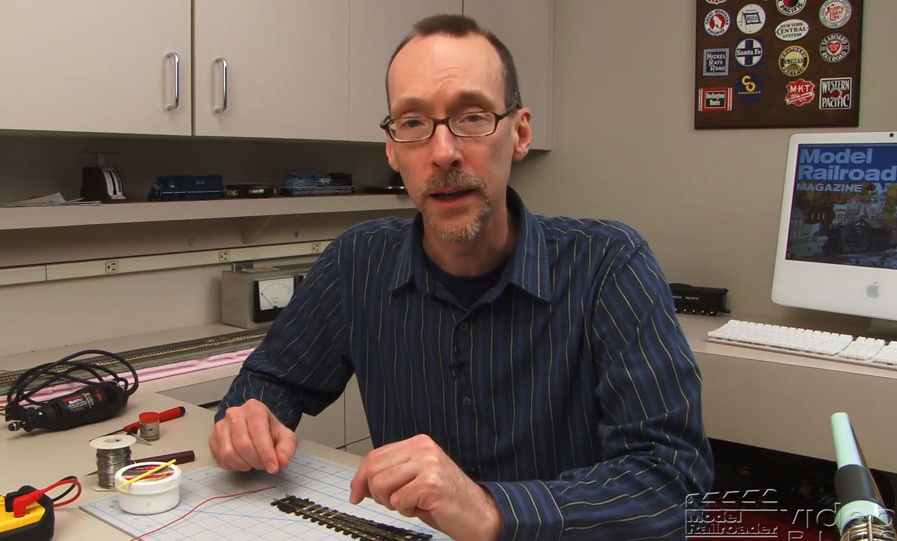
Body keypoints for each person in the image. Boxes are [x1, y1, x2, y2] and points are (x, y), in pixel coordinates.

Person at [210, 14, 713, 540]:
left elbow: (676, 487)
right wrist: (251, 419)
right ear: (392, 150)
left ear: (519, 133)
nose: (443, 151)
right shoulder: (355, 263)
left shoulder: (609, 265)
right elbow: (270, 381)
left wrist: (492, 510)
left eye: (471, 117)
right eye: (413, 123)